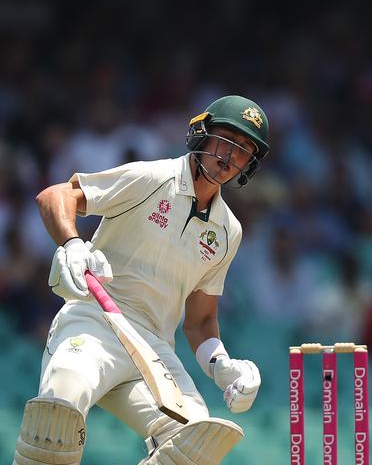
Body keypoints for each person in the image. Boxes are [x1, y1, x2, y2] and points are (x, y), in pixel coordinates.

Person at [13, 95, 270, 465]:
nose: (230, 157)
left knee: (196, 446)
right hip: (94, 323)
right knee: (57, 415)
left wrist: (221, 365)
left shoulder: (228, 231)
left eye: (244, 150)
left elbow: (199, 321)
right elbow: (56, 196)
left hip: (152, 350)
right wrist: (71, 243)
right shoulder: (152, 177)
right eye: (226, 141)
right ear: (202, 134)